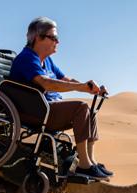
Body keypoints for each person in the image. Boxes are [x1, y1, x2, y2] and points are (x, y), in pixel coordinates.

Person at [10, 16, 112, 180]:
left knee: (89, 110)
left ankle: (90, 161)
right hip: (35, 112)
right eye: (54, 38)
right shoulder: (27, 58)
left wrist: (90, 88)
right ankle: (83, 165)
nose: (58, 42)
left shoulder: (47, 60)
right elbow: (46, 83)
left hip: (47, 109)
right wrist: (80, 88)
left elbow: (65, 80)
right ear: (38, 38)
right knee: (80, 107)